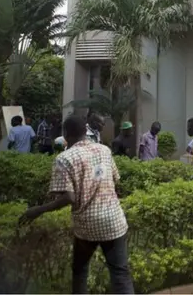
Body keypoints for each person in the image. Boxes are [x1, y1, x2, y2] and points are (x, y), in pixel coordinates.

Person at [19, 115, 133, 293]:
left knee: (80, 271)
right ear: (85, 131)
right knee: (120, 273)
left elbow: (68, 198)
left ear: (66, 134)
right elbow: (115, 179)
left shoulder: (65, 158)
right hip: (114, 220)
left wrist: (38, 210)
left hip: (87, 225)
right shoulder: (104, 150)